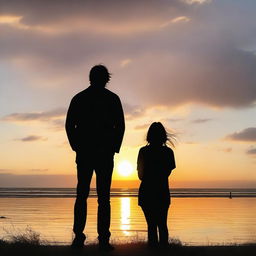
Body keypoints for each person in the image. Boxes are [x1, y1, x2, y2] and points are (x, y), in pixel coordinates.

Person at [65, 65, 125, 250]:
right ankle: (99, 239)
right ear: (106, 78)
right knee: (100, 197)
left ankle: (84, 237)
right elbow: (120, 127)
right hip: (97, 153)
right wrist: (113, 148)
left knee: (84, 195)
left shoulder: (81, 98)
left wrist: (77, 147)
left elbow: (69, 126)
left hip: (91, 153)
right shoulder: (110, 99)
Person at [137, 122, 176, 248]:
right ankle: (163, 250)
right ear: (163, 136)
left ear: (149, 136)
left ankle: (153, 250)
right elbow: (167, 173)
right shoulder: (168, 152)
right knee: (162, 224)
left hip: (146, 192)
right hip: (162, 192)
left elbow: (140, 176)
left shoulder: (143, 151)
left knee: (151, 225)